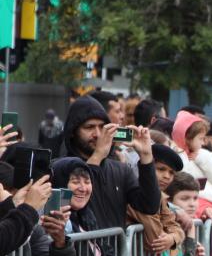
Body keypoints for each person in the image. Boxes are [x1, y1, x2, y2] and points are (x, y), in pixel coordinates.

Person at [61, 96, 160, 229]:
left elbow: (149, 206)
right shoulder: (61, 168)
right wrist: (98, 155)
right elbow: (73, 208)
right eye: (89, 127)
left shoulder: (121, 170)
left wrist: (146, 157)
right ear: (73, 131)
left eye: (102, 127)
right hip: (81, 248)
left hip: (115, 248)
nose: (97, 134)